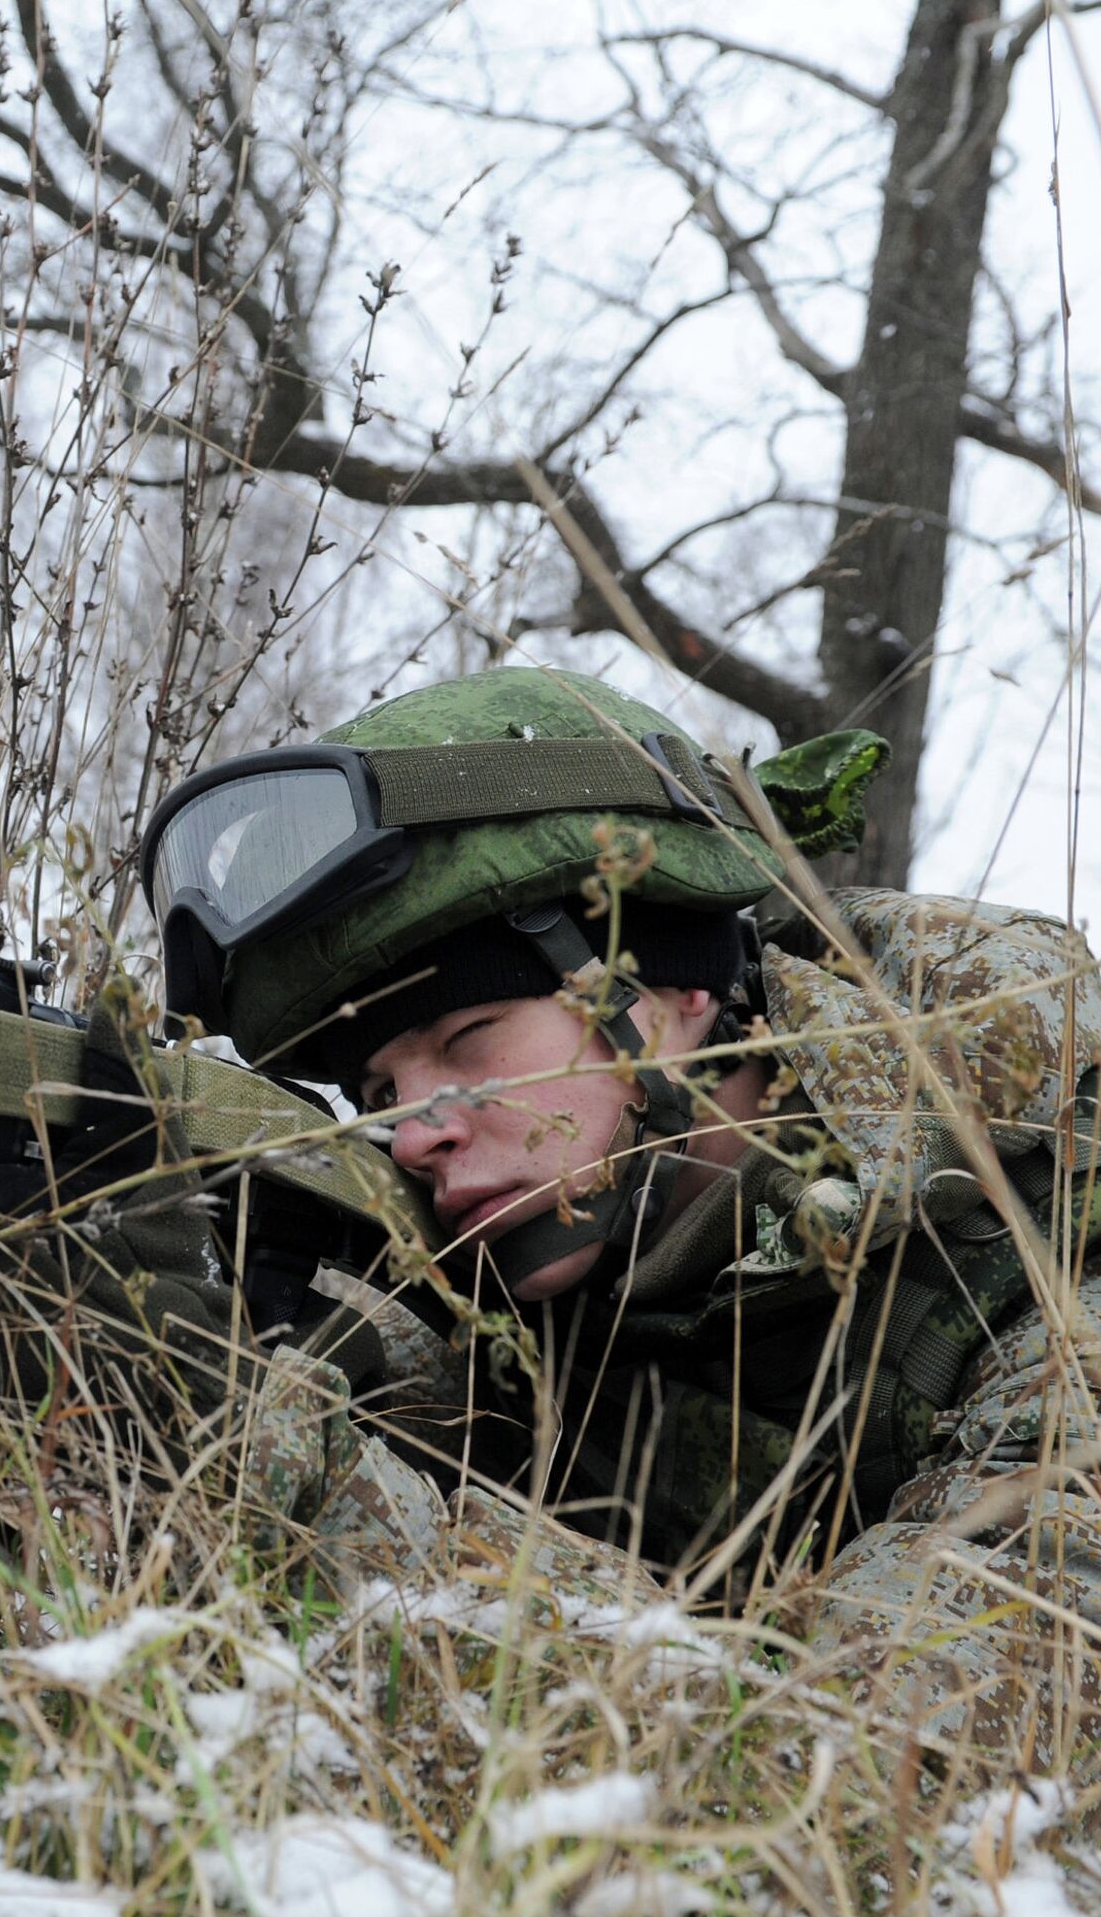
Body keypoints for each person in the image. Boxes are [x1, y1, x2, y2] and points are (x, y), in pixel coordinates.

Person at [137, 665, 1101, 1765]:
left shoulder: (1049, 1260)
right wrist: (201, 1366)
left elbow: (855, 1766)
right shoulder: (508, 1282)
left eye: (469, 1039)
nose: (411, 1135)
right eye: (380, 1089)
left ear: (675, 993)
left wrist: (298, 1475)